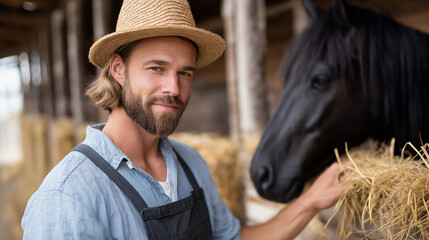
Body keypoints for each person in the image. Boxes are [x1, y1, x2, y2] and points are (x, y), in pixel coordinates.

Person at [21, 0, 348, 239]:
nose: (174, 88)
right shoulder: (68, 196)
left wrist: (311, 200)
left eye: (185, 73)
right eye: (156, 68)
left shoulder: (190, 163)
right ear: (118, 70)